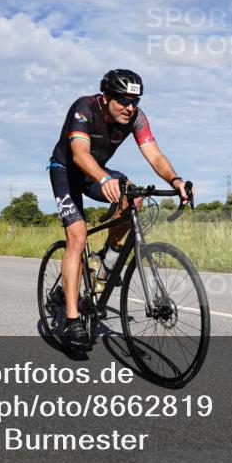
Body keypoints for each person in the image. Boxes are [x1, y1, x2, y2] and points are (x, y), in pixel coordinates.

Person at [48, 69, 188, 351]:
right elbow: (79, 154)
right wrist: (103, 178)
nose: (130, 107)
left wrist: (176, 180)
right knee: (77, 236)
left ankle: (107, 258)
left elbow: (154, 155)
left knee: (133, 196)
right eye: (123, 100)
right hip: (66, 171)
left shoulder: (136, 118)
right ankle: (73, 320)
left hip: (96, 172)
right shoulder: (84, 108)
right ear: (107, 97)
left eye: (135, 101)